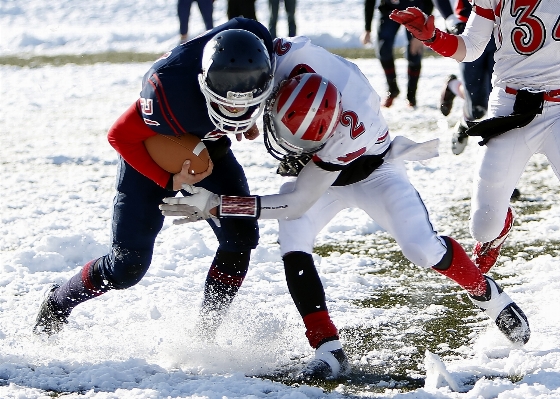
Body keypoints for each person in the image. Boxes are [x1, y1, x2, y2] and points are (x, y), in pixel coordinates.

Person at [160, 36, 531, 380]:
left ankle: (489, 294)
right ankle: (328, 347)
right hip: (320, 166)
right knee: (294, 238)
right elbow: (250, 49)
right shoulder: (284, 58)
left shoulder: (348, 129)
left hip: (374, 173)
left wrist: (218, 205)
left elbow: (296, 202)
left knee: (421, 247)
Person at [33, 18, 275, 340]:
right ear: (204, 82)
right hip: (153, 150)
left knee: (240, 237)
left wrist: (242, 117)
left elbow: (245, 26)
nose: (235, 110)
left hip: (206, 147)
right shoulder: (169, 91)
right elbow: (120, 135)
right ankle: (58, 302)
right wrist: (167, 179)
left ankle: (204, 335)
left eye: (245, 103)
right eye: (224, 103)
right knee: (126, 266)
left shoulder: (256, 44)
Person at [389, 3, 560, 283]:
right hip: (509, 107)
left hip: (558, 106)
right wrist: (432, 37)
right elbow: (470, 47)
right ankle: (500, 226)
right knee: (484, 227)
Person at [432, 0, 495, 155]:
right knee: (477, 107)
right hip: (470, 28)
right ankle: (455, 91)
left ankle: (455, 89)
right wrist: (450, 18)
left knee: (497, 94)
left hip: (504, 30)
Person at [361, 0, 433, 108]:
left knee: (414, 52)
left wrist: (421, 31)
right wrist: (367, 29)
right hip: (390, 11)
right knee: (383, 49)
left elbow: (430, 3)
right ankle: (392, 89)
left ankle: (411, 96)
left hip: (415, 11)